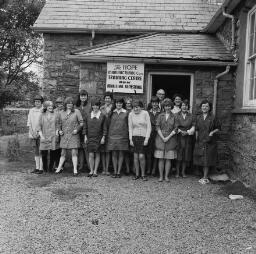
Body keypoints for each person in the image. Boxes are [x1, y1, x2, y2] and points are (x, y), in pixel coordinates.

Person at [193, 100, 220, 184]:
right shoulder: (198, 117)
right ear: (201, 107)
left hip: (209, 141)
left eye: (206, 106)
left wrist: (212, 132)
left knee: (207, 159)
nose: (204, 108)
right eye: (203, 106)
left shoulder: (213, 117)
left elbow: (218, 127)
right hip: (200, 140)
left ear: (209, 108)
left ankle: (205, 177)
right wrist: (196, 139)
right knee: (201, 158)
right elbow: (196, 129)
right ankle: (203, 175)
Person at [55, 97, 83, 176]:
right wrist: (59, 130)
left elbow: (81, 122)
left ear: (73, 104)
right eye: (68, 103)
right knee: (63, 153)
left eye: (71, 103)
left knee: (74, 153)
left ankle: (75, 170)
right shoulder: (61, 112)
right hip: (64, 135)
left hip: (74, 135)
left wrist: (77, 130)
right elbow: (58, 123)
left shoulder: (76, 111)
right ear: (65, 104)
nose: (69, 105)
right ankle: (59, 168)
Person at [154, 98, 178, 182]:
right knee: (161, 158)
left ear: (171, 106)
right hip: (160, 138)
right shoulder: (160, 115)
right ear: (163, 107)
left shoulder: (174, 116)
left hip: (171, 138)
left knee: (168, 158)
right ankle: (160, 176)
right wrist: (162, 137)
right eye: (165, 106)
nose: (167, 107)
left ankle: (166, 176)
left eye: (168, 106)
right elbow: (157, 126)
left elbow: (176, 128)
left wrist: (168, 137)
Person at [83, 98, 107, 177]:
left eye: (97, 105)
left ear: (99, 106)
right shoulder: (88, 115)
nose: (95, 107)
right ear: (92, 106)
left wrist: (103, 137)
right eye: (94, 105)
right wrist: (85, 136)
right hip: (90, 137)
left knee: (97, 154)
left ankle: (95, 171)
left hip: (99, 137)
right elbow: (85, 127)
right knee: (91, 155)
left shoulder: (102, 116)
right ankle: (91, 170)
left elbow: (104, 128)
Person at [128, 100, 151, 181]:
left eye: (137, 107)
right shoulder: (130, 114)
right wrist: (130, 139)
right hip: (134, 137)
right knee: (135, 156)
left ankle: (143, 174)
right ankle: (137, 174)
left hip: (143, 137)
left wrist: (147, 139)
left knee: (141, 156)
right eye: (134, 107)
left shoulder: (145, 113)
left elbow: (149, 127)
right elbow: (130, 128)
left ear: (140, 107)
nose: (135, 109)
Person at [107, 98, 129, 178]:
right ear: (115, 104)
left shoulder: (126, 113)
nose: (118, 104)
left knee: (121, 154)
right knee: (114, 154)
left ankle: (119, 172)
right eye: (117, 103)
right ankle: (115, 171)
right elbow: (108, 124)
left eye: (120, 103)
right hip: (112, 135)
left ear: (122, 104)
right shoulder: (111, 113)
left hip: (123, 136)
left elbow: (128, 124)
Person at [38, 101, 60, 172]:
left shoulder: (56, 114)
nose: (51, 107)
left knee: (53, 153)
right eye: (49, 106)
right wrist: (41, 136)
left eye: (52, 106)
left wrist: (57, 133)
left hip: (53, 136)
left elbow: (58, 125)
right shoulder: (42, 115)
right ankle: (45, 169)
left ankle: (50, 168)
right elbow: (39, 126)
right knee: (44, 153)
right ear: (46, 107)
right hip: (44, 136)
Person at [176, 100, 195, 178]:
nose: (184, 107)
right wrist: (180, 131)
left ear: (188, 107)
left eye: (186, 105)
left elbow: (194, 126)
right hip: (179, 137)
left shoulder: (191, 116)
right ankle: (177, 172)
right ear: (180, 107)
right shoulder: (176, 115)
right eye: (183, 105)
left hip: (188, 137)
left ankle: (183, 172)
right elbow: (174, 126)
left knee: (185, 155)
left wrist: (187, 132)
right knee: (178, 155)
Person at [27, 95, 44, 174]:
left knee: (41, 151)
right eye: (36, 101)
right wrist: (32, 132)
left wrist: (38, 132)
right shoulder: (31, 110)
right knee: (36, 151)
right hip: (33, 133)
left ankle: (41, 168)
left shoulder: (43, 110)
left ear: (41, 102)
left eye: (39, 102)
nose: (37, 103)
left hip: (40, 133)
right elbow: (29, 122)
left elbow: (43, 123)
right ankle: (37, 167)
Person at [76, 90, 91, 173]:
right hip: (78, 129)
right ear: (79, 96)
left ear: (87, 96)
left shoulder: (90, 105)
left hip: (87, 129)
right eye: (82, 96)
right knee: (80, 148)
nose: (83, 97)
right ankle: (81, 166)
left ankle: (89, 167)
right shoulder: (76, 105)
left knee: (86, 148)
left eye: (85, 96)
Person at [146, 96, 161, 176]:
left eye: (156, 102)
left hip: (158, 134)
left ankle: (154, 169)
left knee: (156, 152)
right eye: (153, 102)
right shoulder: (147, 112)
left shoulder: (161, 112)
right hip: (149, 134)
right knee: (149, 152)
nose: (154, 104)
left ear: (158, 103)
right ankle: (148, 168)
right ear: (151, 103)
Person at [100, 92, 114, 175]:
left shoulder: (113, 108)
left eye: (109, 98)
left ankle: (107, 169)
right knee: (102, 150)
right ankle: (103, 168)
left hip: (111, 130)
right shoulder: (101, 108)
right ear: (104, 99)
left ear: (111, 99)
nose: (107, 99)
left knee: (108, 150)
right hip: (102, 130)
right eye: (106, 98)